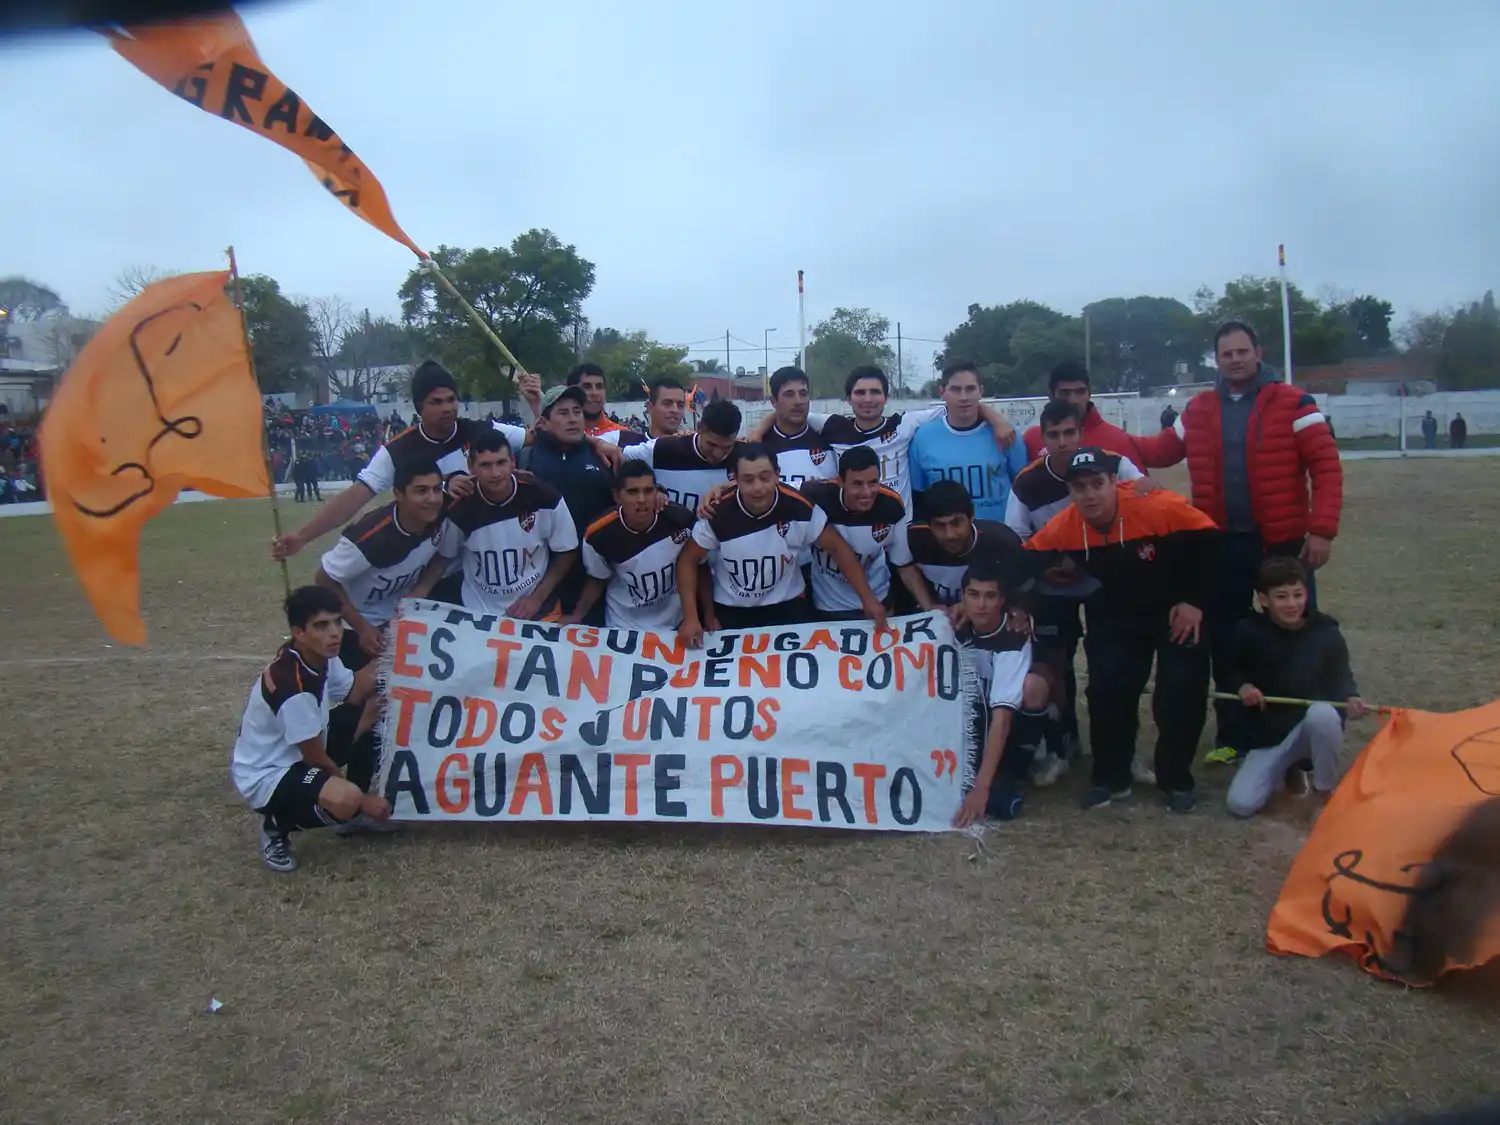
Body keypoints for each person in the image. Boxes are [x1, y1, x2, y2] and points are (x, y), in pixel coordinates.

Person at [1153, 321, 1343, 768]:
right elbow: (1159, 450)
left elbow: (1327, 468)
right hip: (1222, 545)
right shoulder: (1199, 409)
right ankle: (1234, 736)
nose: (1235, 359)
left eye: (1242, 351)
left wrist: (1322, 530)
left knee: (1297, 636)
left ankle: (1302, 736)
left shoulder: (1295, 402)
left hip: (1285, 544)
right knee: (1227, 641)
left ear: (1258, 352)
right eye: (1226, 353)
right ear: (1216, 359)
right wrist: (1100, 442)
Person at [1026, 448, 1218, 812]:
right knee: (1106, 690)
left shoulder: (1158, 506)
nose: (1090, 494)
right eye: (1080, 487)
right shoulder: (1067, 524)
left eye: (1098, 484)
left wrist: (1194, 600)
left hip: (1176, 606)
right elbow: (1024, 559)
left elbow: (1211, 543)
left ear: (1115, 482)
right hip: (1117, 610)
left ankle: (1176, 779)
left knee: (1180, 690)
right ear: (1071, 492)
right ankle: (1111, 778)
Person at [1004, 400, 1154, 786]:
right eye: (1053, 435)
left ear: (1082, 434)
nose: (1063, 442)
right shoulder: (1027, 482)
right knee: (1055, 668)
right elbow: (1017, 544)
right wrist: (1048, 568)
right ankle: (1061, 746)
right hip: (1050, 588)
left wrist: (1090, 561)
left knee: (1113, 668)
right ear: (1043, 439)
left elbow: (1147, 505)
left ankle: (1124, 750)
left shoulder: (1115, 465)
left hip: (1108, 581)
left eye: (1070, 433)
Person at [269, 361, 547, 561]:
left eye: (452, 399)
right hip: (432, 560)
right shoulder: (399, 450)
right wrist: (303, 537)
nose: (447, 408)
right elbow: (354, 498)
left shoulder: (480, 430)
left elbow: (536, 437)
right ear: (418, 407)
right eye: (436, 402)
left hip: (484, 552)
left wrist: (534, 402)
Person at [230, 586, 390, 874]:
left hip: (304, 750)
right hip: (270, 773)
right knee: (346, 799)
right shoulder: (294, 688)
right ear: (299, 632)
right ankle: (277, 825)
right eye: (321, 625)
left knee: (376, 706)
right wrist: (362, 802)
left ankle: (351, 813)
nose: (335, 633)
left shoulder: (320, 656)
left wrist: (398, 648)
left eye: (337, 622)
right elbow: (315, 758)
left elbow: (354, 688)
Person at [675, 444, 889, 640]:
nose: (758, 487)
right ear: (735, 480)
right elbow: (688, 560)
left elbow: (837, 547)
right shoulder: (718, 511)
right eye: (748, 480)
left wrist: (867, 599)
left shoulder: (800, 506)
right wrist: (691, 617)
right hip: (732, 609)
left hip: (788, 606)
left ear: (778, 475)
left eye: (765, 477)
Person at [1222, 556, 1369, 818]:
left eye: (1297, 595)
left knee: (1323, 713)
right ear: (1264, 600)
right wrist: (1242, 686)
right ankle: (1287, 769)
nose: (1292, 604)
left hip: (1311, 726)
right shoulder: (1247, 631)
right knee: (1240, 805)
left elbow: (1341, 677)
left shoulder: (1326, 631)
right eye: (1281, 597)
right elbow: (1229, 670)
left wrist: (1351, 697)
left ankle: (1323, 790)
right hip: (1269, 735)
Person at [752, 364, 1016, 508]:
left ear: (886, 397)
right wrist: (756, 433)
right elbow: (788, 412)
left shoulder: (905, 424)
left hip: (900, 530)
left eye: (875, 392)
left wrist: (997, 420)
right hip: (853, 531)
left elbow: (960, 404)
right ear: (848, 399)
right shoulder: (833, 426)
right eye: (860, 393)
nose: (868, 399)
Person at [417, 428, 579, 618]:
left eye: (501, 463)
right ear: (471, 466)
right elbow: (443, 560)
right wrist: (415, 597)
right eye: (485, 465)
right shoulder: (460, 507)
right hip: (478, 611)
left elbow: (567, 551)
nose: (495, 473)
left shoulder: (544, 496)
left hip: (538, 606)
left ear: (512, 461)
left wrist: (536, 599)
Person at [952, 564, 1052, 828]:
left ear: (1003, 600)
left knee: (1001, 805)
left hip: (1000, 725)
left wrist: (981, 787)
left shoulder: (1013, 637)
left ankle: (1020, 762)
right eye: (973, 595)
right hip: (963, 724)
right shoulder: (949, 628)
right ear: (961, 597)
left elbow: (1002, 719)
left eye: (990, 596)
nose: (981, 605)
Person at [520, 386, 619, 622]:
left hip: (595, 581)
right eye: (563, 413)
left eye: (577, 411)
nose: (573, 418)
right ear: (543, 422)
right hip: (540, 582)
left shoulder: (602, 456)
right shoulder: (525, 458)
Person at [567, 460, 703, 632]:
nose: (642, 500)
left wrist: (702, 617)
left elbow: (699, 567)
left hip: (674, 624)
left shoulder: (681, 520)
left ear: (657, 491)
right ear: (617, 496)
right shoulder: (598, 534)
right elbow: (598, 578)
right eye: (632, 492)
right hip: (623, 625)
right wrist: (578, 614)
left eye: (648, 491)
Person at [909, 359, 1031, 522]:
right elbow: (918, 496)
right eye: (956, 389)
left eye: (970, 389)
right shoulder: (922, 438)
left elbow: (1024, 489)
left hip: (1000, 538)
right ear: (942, 392)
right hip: (945, 539)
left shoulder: (1006, 433)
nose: (964, 397)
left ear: (980, 391)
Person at [800, 446, 913, 621]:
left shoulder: (891, 505)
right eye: (857, 484)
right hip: (828, 607)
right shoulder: (815, 497)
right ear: (840, 481)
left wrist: (930, 607)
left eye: (873, 482)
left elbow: (904, 565)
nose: (867, 492)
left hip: (880, 599)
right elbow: (838, 549)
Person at [1021, 360, 1182, 468]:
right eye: (1065, 393)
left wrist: (1193, 419)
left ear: (1089, 393)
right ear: (1051, 395)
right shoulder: (1031, 440)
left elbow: (1163, 451)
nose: (1073, 400)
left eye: (1080, 392)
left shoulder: (1118, 441)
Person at [902, 479, 1033, 612]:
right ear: (929, 524)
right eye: (939, 526)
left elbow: (1024, 589)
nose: (950, 535)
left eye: (956, 523)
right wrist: (929, 606)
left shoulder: (1003, 542)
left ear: (971, 517)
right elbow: (904, 567)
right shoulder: (914, 538)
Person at [623, 399, 744, 513]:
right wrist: (653, 489)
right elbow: (618, 457)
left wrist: (732, 485)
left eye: (727, 447)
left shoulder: (746, 457)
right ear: (699, 427)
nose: (718, 454)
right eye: (711, 444)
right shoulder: (662, 449)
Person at [756, 366, 839, 489]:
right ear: (773, 401)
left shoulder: (833, 442)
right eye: (789, 395)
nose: (798, 401)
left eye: (803, 394)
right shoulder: (759, 446)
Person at [566, 362, 640, 443]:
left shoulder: (623, 435)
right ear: (571, 392)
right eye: (587, 387)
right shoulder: (560, 435)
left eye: (599, 386)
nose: (594, 393)